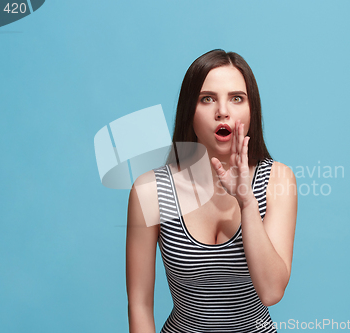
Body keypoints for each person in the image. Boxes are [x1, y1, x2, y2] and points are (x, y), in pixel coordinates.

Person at [126, 49, 297, 332]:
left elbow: (271, 292)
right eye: (207, 99)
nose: (222, 111)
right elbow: (140, 304)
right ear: (188, 112)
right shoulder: (149, 191)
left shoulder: (278, 180)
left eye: (236, 98)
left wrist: (247, 202)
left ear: (251, 109)